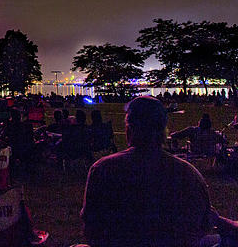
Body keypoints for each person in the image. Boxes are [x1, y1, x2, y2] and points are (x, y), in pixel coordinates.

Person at [81, 96, 210, 247]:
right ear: (163, 130)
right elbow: (203, 226)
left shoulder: (103, 170)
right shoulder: (188, 174)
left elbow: (91, 229)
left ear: (129, 130)